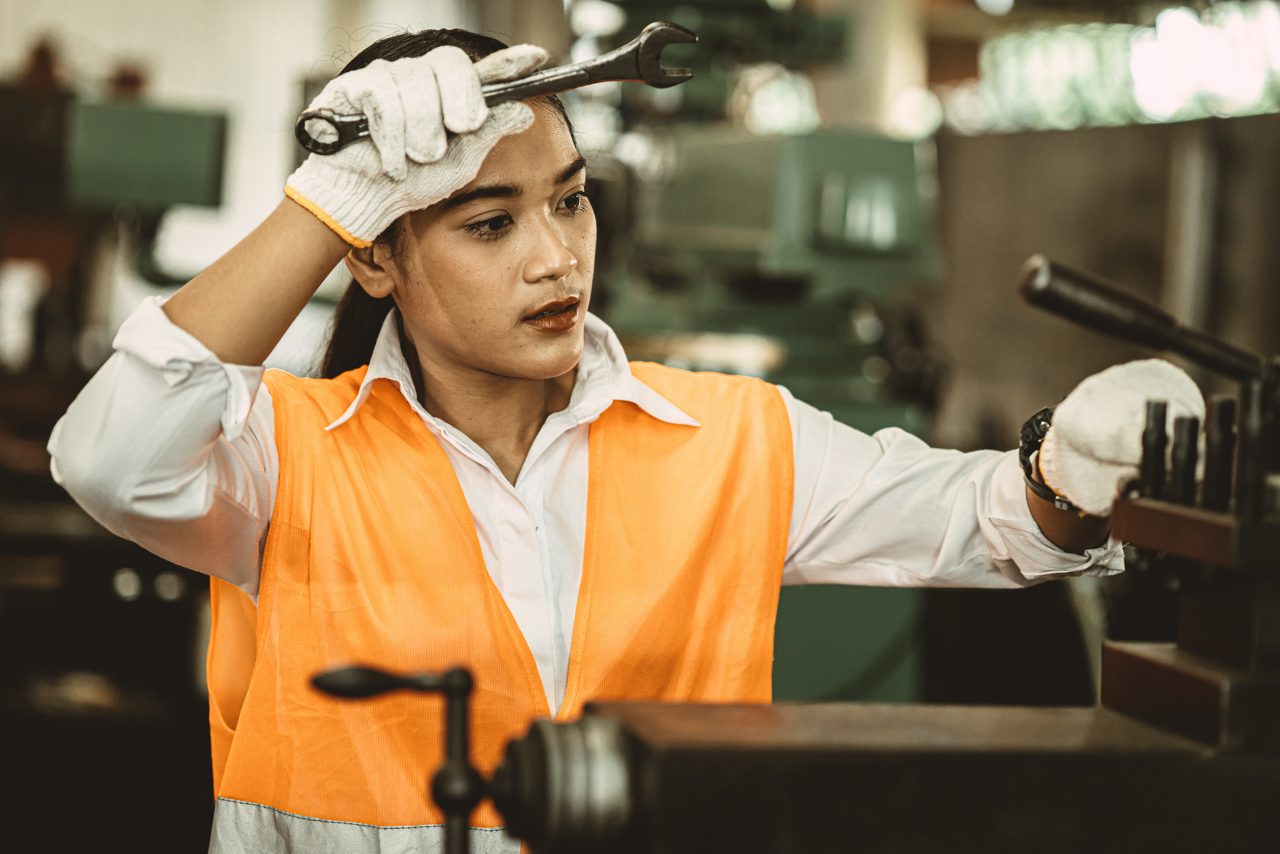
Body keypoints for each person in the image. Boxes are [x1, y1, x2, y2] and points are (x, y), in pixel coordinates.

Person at [47, 27, 1201, 854]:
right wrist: (323, 198)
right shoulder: (279, 458)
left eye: (571, 197)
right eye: (490, 223)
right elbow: (108, 454)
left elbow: (991, 523)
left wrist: (1070, 463)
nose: (556, 255)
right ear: (373, 257)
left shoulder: (732, 439)